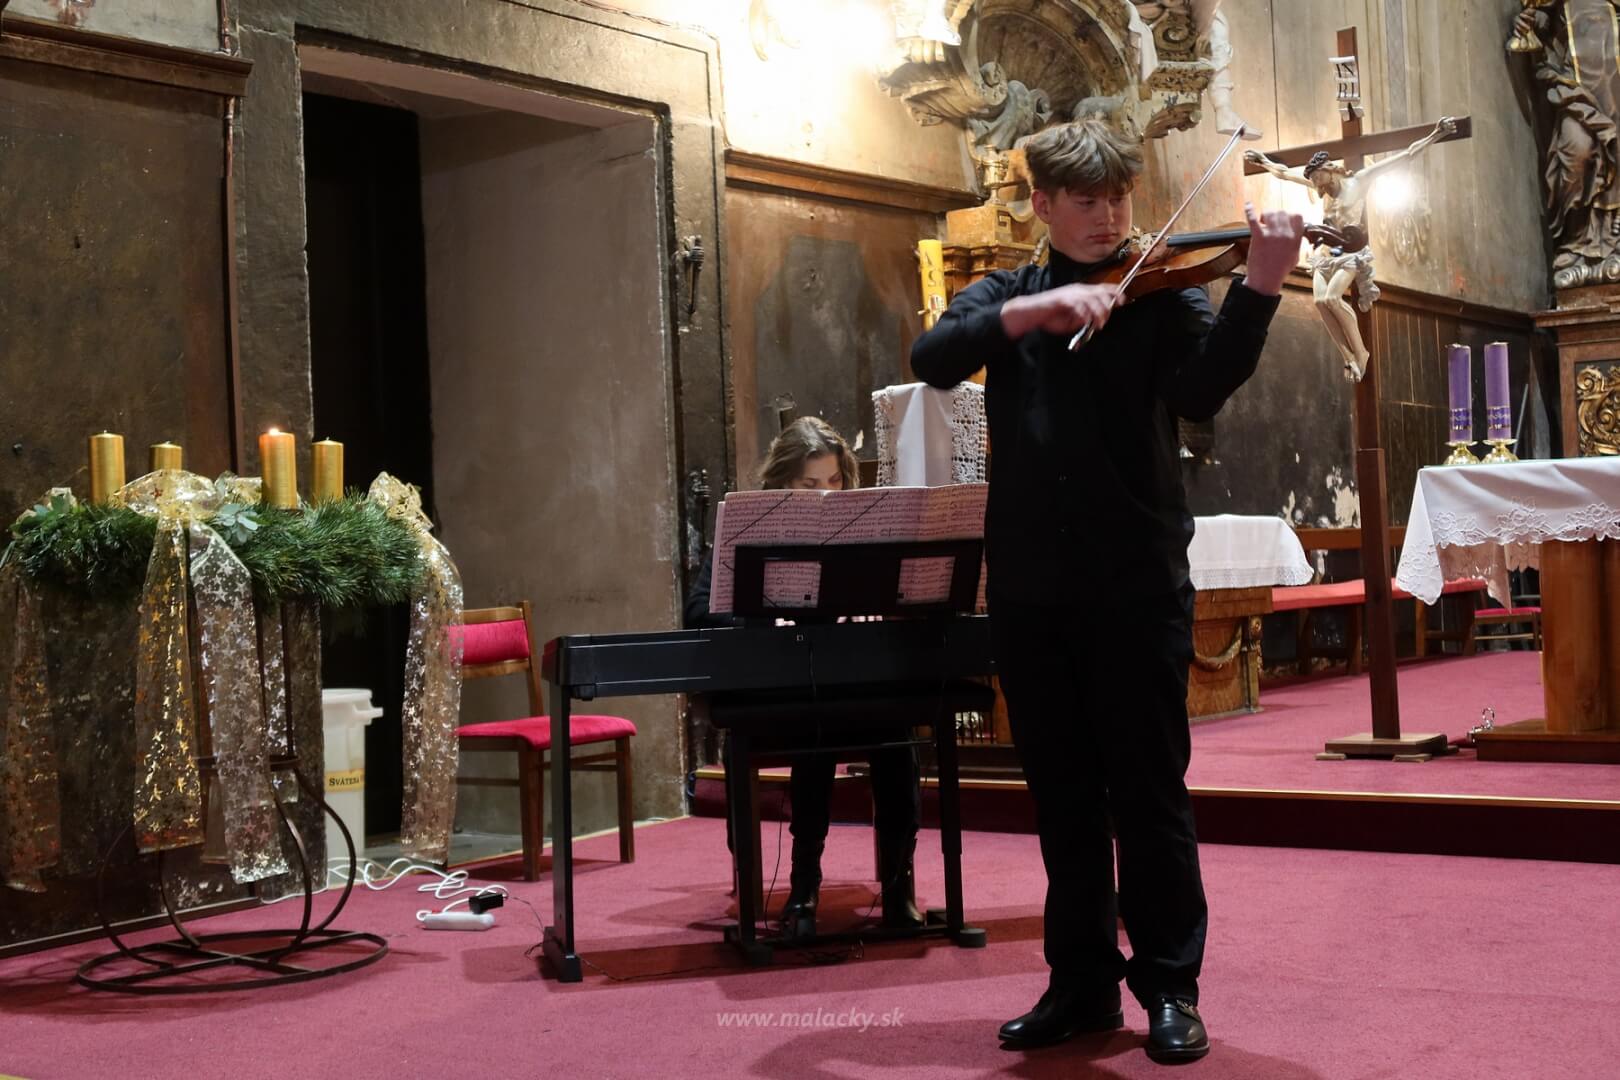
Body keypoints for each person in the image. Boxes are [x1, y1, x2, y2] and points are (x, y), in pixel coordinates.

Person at [910, 118, 1305, 1063]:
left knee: (1148, 793)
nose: (1108, 216)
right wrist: (1033, 314)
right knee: (1063, 798)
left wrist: (1259, 285)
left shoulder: (1162, 293)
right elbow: (934, 358)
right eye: (1085, 200)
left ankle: (1169, 985)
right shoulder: (1009, 292)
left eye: (1119, 197)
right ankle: (1081, 986)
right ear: (1041, 204)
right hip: (1032, 589)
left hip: (1135, 583)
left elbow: (1202, 391)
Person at [684, 416, 925, 942]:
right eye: (810, 483)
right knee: (817, 727)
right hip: (782, 695)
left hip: (848, 689)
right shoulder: (747, 527)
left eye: (835, 480)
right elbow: (699, 610)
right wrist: (764, 614)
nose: (826, 494)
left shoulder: (862, 528)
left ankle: (898, 886)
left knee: (897, 731)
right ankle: (803, 886)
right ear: (782, 482)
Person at [1244, 116, 1456, 379]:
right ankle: (1348, 357)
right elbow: (1285, 173)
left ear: (1329, 169)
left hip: (1350, 252)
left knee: (1332, 298)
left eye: (1319, 178)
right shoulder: (1319, 185)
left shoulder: (1359, 181)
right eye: (1314, 181)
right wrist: (1263, 161)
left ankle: (1361, 353)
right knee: (1320, 301)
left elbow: (1406, 155)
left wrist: (1437, 133)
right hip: (1325, 253)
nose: (1317, 185)